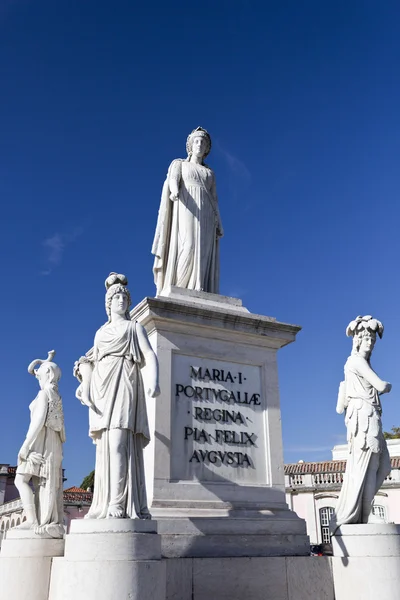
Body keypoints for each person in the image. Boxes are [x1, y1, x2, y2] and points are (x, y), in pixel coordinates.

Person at [74, 272, 160, 519]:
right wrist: (84, 380)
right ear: (108, 304)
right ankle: (101, 503)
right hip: (103, 387)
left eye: (124, 297)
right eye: (115, 298)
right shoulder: (100, 333)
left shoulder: (135, 328)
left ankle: (118, 503)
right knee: (104, 446)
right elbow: (90, 360)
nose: (120, 300)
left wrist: (154, 380)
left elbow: (149, 355)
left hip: (124, 381)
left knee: (119, 442)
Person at [332, 315, 392, 531]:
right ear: (357, 340)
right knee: (367, 466)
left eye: (373, 341)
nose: (370, 344)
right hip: (362, 417)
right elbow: (379, 384)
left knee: (383, 465)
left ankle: (365, 509)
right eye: (367, 340)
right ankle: (366, 513)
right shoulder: (355, 361)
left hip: (371, 416)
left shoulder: (362, 363)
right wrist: (386, 385)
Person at [152, 127, 223, 295]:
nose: (199, 145)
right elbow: (173, 180)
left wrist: (219, 221)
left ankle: (200, 286)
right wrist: (175, 190)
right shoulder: (179, 164)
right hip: (186, 204)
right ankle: (180, 286)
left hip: (206, 211)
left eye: (203, 143)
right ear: (190, 146)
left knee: (204, 248)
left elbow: (214, 199)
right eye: (196, 142)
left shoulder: (210, 173)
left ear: (206, 149)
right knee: (188, 244)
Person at [15, 350, 65, 537]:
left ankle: (32, 520)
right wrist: (44, 360)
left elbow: (37, 421)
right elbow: (32, 370)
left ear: (47, 375)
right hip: (49, 444)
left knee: (21, 479)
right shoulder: (56, 395)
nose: (37, 378)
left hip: (37, 442)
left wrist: (25, 446)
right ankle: (36, 519)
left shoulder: (44, 394)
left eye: (40, 375)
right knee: (38, 482)